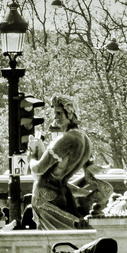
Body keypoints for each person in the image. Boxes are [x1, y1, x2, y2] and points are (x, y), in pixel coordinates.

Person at [31, 95, 92, 230]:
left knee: (52, 242)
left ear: (70, 114)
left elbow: (39, 169)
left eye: (59, 113)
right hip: (65, 194)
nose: (55, 117)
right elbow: (88, 171)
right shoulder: (86, 140)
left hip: (46, 197)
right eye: (55, 113)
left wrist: (33, 156)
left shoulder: (65, 139)